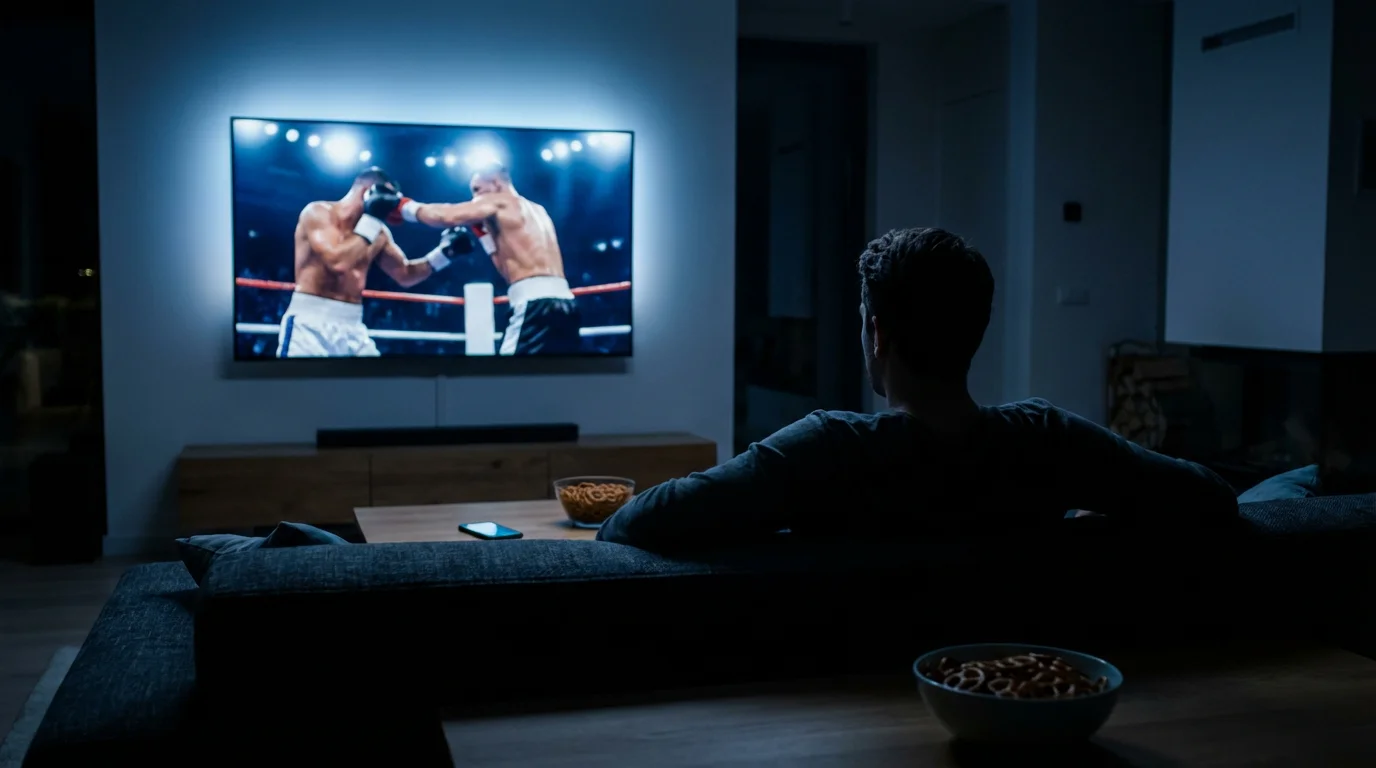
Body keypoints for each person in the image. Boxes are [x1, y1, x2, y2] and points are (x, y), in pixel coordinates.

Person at [597, 227, 1240, 553]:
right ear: (977, 328)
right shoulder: (1048, 440)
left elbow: (633, 525)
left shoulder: (827, 449)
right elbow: (1210, 498)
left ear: (877, 334)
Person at [382, 164, 582, 355]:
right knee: (559, 378)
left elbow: (446, 216)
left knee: (507, 381)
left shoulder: (498, 200)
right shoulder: (538, 210)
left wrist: (402, 206)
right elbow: (507, 269)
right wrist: (485, 237)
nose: (474, 197)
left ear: (496, 183)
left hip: (535, 305)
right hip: (566, 303)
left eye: (477, 189)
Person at [278, 167, 455, 357]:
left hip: (353, 325)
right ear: (367, 192)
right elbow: (338, 263)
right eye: (385, 197)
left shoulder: (378, 232)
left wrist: (444, 254)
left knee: (379, 385)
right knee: (301, 386)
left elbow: (405, 275)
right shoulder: (318, 213)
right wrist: (372, 218)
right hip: (309, 324)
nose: (388, 208)